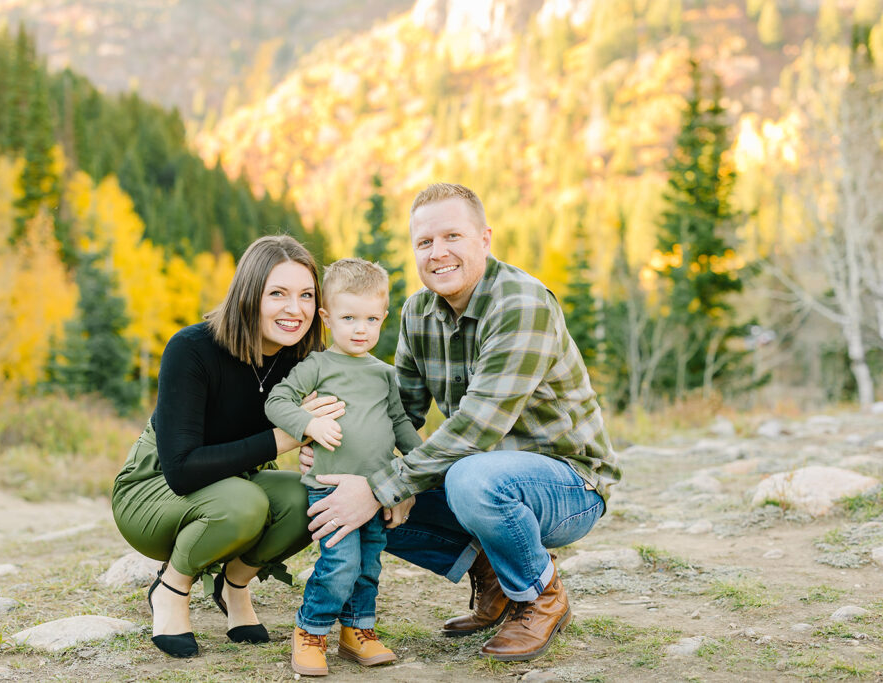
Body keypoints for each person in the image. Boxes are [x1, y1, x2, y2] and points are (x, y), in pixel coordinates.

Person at [301, 183, 622, 662]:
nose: (439, 253)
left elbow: (476, 429)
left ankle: (540, 595)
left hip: (569, 484)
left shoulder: (521, 305)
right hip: (481, 473)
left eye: (453, 236)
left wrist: (382, 485)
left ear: (485, 239)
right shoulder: (417, 312)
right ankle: (493, 574)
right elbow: (399, 413)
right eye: (425, 242)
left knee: (455, 479)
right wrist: (338, 452)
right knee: (352, 494)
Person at [111, 235, 344, 658]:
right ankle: (171, 588)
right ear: (249, 294)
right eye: (278, 293)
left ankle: (235, 587)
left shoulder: (306, 359)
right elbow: (180, 470)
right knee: (244, 503)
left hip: (239, 484)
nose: (295, 310)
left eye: (306, 295)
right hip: (155, 488)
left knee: (309, 498)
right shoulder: (192, 349)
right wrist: (287, 437)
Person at [265, 258, 422, 676]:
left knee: (369, 565)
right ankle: (311, 629)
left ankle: (357, 632)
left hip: (376, 490)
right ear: (327, 317)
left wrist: (423, 466)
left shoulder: (385, 373)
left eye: (371, 319)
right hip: (330, 488)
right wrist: (309, 423)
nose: (360, 329)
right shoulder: (317, 365)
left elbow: (400, 423)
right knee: (340, 565)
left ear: (383, 318)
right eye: (349, 317)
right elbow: (276, 402)